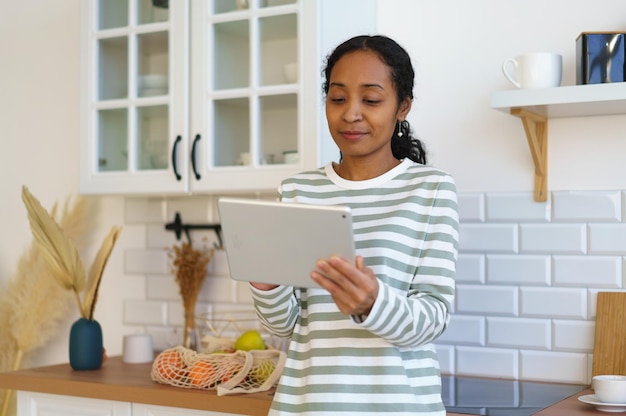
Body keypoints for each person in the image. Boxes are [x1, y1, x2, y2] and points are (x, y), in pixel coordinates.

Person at [250, 35, 459, 415]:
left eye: (372, 99)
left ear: (402, 107)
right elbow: (285, 325)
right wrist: (265, 281)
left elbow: (433, 317)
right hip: (308, 405)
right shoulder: (298, 190)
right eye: (338, 98)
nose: (351, 113)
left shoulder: (431, 189)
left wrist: (373, 303)